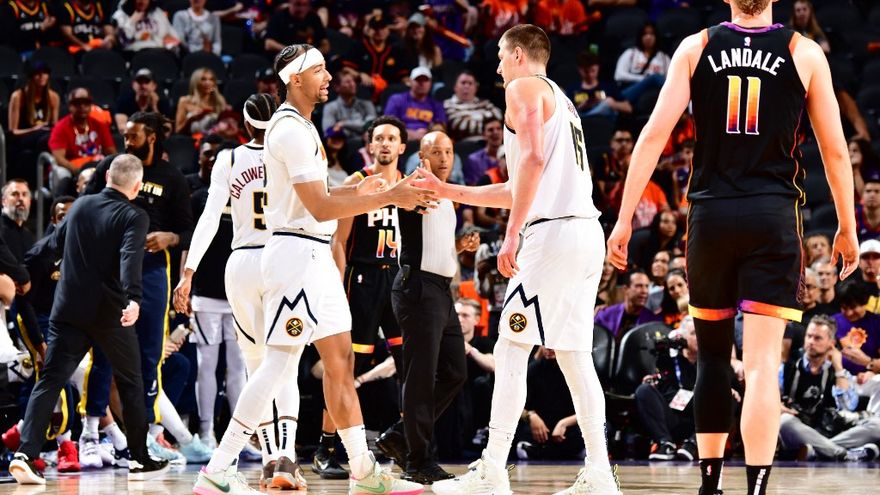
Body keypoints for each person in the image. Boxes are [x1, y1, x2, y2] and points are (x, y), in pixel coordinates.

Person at [606, 1, 859, 494]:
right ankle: (757, 489)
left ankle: (710, 486)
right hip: (771, 215)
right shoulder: (803, 51)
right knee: (762, 366)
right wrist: (846, 225)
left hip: (711, 215)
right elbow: (833, 150)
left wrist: (622, 219)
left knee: (713, 360)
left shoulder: (695, 47)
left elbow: (653, 136)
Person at [191, 43, 434, 495]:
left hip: (315, 255)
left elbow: (321, 197)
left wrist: (367, 190)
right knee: (278, 364)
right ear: (295, 79)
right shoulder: (288, 129)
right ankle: (218, 468)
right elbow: (319, 208)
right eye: (320, 70)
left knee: (341, 360)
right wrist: (389, 197)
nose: (329, 77)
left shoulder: (304, 126)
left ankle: (363, 471)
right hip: (295, 255)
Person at [416, 24, 620, 495]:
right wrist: (448, 191)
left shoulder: (523, 87)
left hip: (553, 235)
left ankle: (491, 469)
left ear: (520, 56)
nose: (497, 66)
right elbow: (518, 186)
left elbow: (530, 163)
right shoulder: (562, 101)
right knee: (573, 355)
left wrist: (512, 236)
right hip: (584, 233)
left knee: (510, 346)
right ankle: (600, 472)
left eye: (501, 56)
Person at [8, 154, 170, 485]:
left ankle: (25, 454)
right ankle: (139, 457)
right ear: (137, 186)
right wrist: (134, 298)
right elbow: (129, 257)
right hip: (109, 314)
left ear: (107, 176)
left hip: (67, 309)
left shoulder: (81, 204)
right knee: (131, 381)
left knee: (50, 380)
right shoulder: (134, 215)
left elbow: (51, 245)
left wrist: (22, 270)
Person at [174, 94, 307, 488]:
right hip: (284, 256)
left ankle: (267, 458)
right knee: (285, 365)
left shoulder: (229, 159)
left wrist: (188, 271)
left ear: (246, 125)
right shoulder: (293, 150)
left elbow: (209, 218)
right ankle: (286, 457)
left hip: (243, 263)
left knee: (255, 365)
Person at [84, 112, 194, 465]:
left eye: (133, 136)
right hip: (111, 269)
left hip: (152, 271)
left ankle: (146, 432)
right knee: (104, 351)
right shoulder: (112, 166)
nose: (127, 141)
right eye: (125, 135)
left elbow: (189, 231)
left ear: (152, 137)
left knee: (150, 353)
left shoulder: (172, 177)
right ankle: (91, 432)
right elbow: (85, 208)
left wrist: (170, 238)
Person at [388, 131, 476, 483]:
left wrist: (459, 246)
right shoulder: (415, 188)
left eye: (449, 152)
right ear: (422, 156)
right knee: (421, 376)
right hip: (418, 288)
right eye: (436, 152)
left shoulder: (446, 194)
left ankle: (400, 435)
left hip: (441, 290)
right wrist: (416, 183)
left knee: (455, 371)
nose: (444, 158)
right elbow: (408, 210)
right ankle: (417, 460)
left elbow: (434, 241)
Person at [328, 115, 409, 479]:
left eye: (392, 138)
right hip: (362, 279)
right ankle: (328, 445)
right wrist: (337, 285)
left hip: (398, 279)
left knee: (408, 364)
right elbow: (339, 241)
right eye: (380, 138)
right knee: (348, 366)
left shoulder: (409, 185)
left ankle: (408, 444)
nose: (386, 143)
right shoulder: (355, 182)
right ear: (371, 145)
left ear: (402, 146)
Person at [779, 315, 861, 460]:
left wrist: (838, 367)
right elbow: (770, 399)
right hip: (797, 430)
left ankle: (816, 450)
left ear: (831, 343)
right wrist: (777, 406)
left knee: (876, 426)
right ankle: (844, 453)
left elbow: (847, 408)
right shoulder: (787, 367)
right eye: (809, 336)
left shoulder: (839, 373)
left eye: (818, 338)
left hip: (828, 430)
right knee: (785, 421)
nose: (811, 342)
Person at [48, 87, 116, 192]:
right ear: (70, 106)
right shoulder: (61, 127)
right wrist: (79, 171)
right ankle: (63, 201)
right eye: (77, 103)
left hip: (96, 166)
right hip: (72, 167)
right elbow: (59, 158)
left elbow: (111, 152)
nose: (82, 107)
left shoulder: (99, 125)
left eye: (86, 103)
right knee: (61, 173)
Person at [384, 67, 447, 142]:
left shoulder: (436, 104)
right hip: (401, 140)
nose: (422, 83)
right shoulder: (396, 99)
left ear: (430, 83)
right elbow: (388, 125)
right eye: (418, 80)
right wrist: (411, 134)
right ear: (410, 82)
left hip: (428, 142)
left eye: (425, 80)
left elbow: (441, 127)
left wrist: (428, 134)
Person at [443, 70, 503, 143]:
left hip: (490, 142)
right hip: (465, 144)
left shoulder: (484, 103)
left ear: (475, 88)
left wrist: (470, 118)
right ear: (455, 87)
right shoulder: (448, 104)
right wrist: (486, 119)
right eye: (463, 83)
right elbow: (460, 126)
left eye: (470, 83)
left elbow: (499, 115)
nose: (466, 86)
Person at [321, 70, 377, 140]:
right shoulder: (330, 107)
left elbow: (371, 126)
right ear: (337, 87)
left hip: (364, 144)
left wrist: (343, 124)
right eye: (348, 82)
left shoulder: (366, 103)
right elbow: (328, 132)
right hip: (343, 143)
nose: (353, 84)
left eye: (353, 81)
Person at [175, 68, 229, 136]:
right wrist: (190, 120)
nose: (208, 83)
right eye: (203, 79)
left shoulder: (220, 100)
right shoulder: (185, 101)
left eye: (211, 79)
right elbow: (178, 130)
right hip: (192, 139)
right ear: (195, 82)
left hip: (216, 139)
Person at [614, 22, 670, 86]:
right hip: (635, 88)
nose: (648, 37)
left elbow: (670, 79)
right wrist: (644, 79)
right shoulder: (631, 53)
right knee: (655, 77)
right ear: (640, 36)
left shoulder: (664, 57)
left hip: (656, 89)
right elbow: (618, 75)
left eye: (652, 34)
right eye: (645, 34)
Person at [112, 0, 179, 52]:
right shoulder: (121, 15)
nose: (142, 1)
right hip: (134, 53)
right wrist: (131, 22)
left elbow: (174, 36)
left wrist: (170, 43)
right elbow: (123, 42)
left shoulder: (157, 13)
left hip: (159, 51)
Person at [263, 0, 327, 54]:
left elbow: (325, 45)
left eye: (305, 5)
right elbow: (268, 44)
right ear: (290, 3)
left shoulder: (314, 18)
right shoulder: (278, 17)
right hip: (283, 57)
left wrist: (312, 54)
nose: (301, 9)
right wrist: (293, 52)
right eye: (297, 4)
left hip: (309, 58)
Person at [465, 117, 503, 186]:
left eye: (499, 129)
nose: (495, 132)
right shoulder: (474, 160)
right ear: (484, 135)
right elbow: (473, 188)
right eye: (490, 130)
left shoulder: (511, 157)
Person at [856, 175, 880, 242]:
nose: (872, 195)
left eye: (877, 191)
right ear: (862, 195)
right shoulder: (854, 217)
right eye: (868, 191)